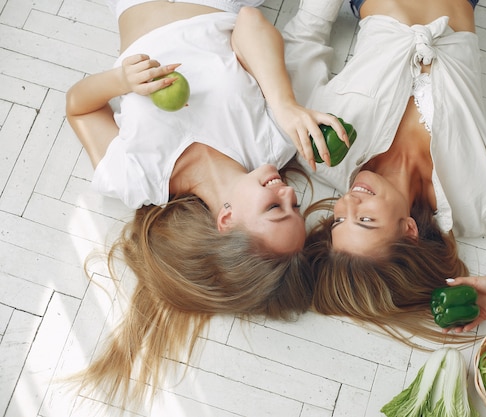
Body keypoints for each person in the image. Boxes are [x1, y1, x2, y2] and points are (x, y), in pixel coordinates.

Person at [64, 0, 349, 409]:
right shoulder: (273, 141)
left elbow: (78, 106)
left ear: (228, 220)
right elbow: (249, 21)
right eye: (295, 205)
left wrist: (120, 81)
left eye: (275, 208)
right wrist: (285, 104)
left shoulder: (136, 178)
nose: (287, 192)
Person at [283, 0, 486, 346]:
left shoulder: (323, 153)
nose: (348, 204)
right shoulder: (477, 202)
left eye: (339, 221)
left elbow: (303, 43)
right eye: (366, 221)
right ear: (409, 229)